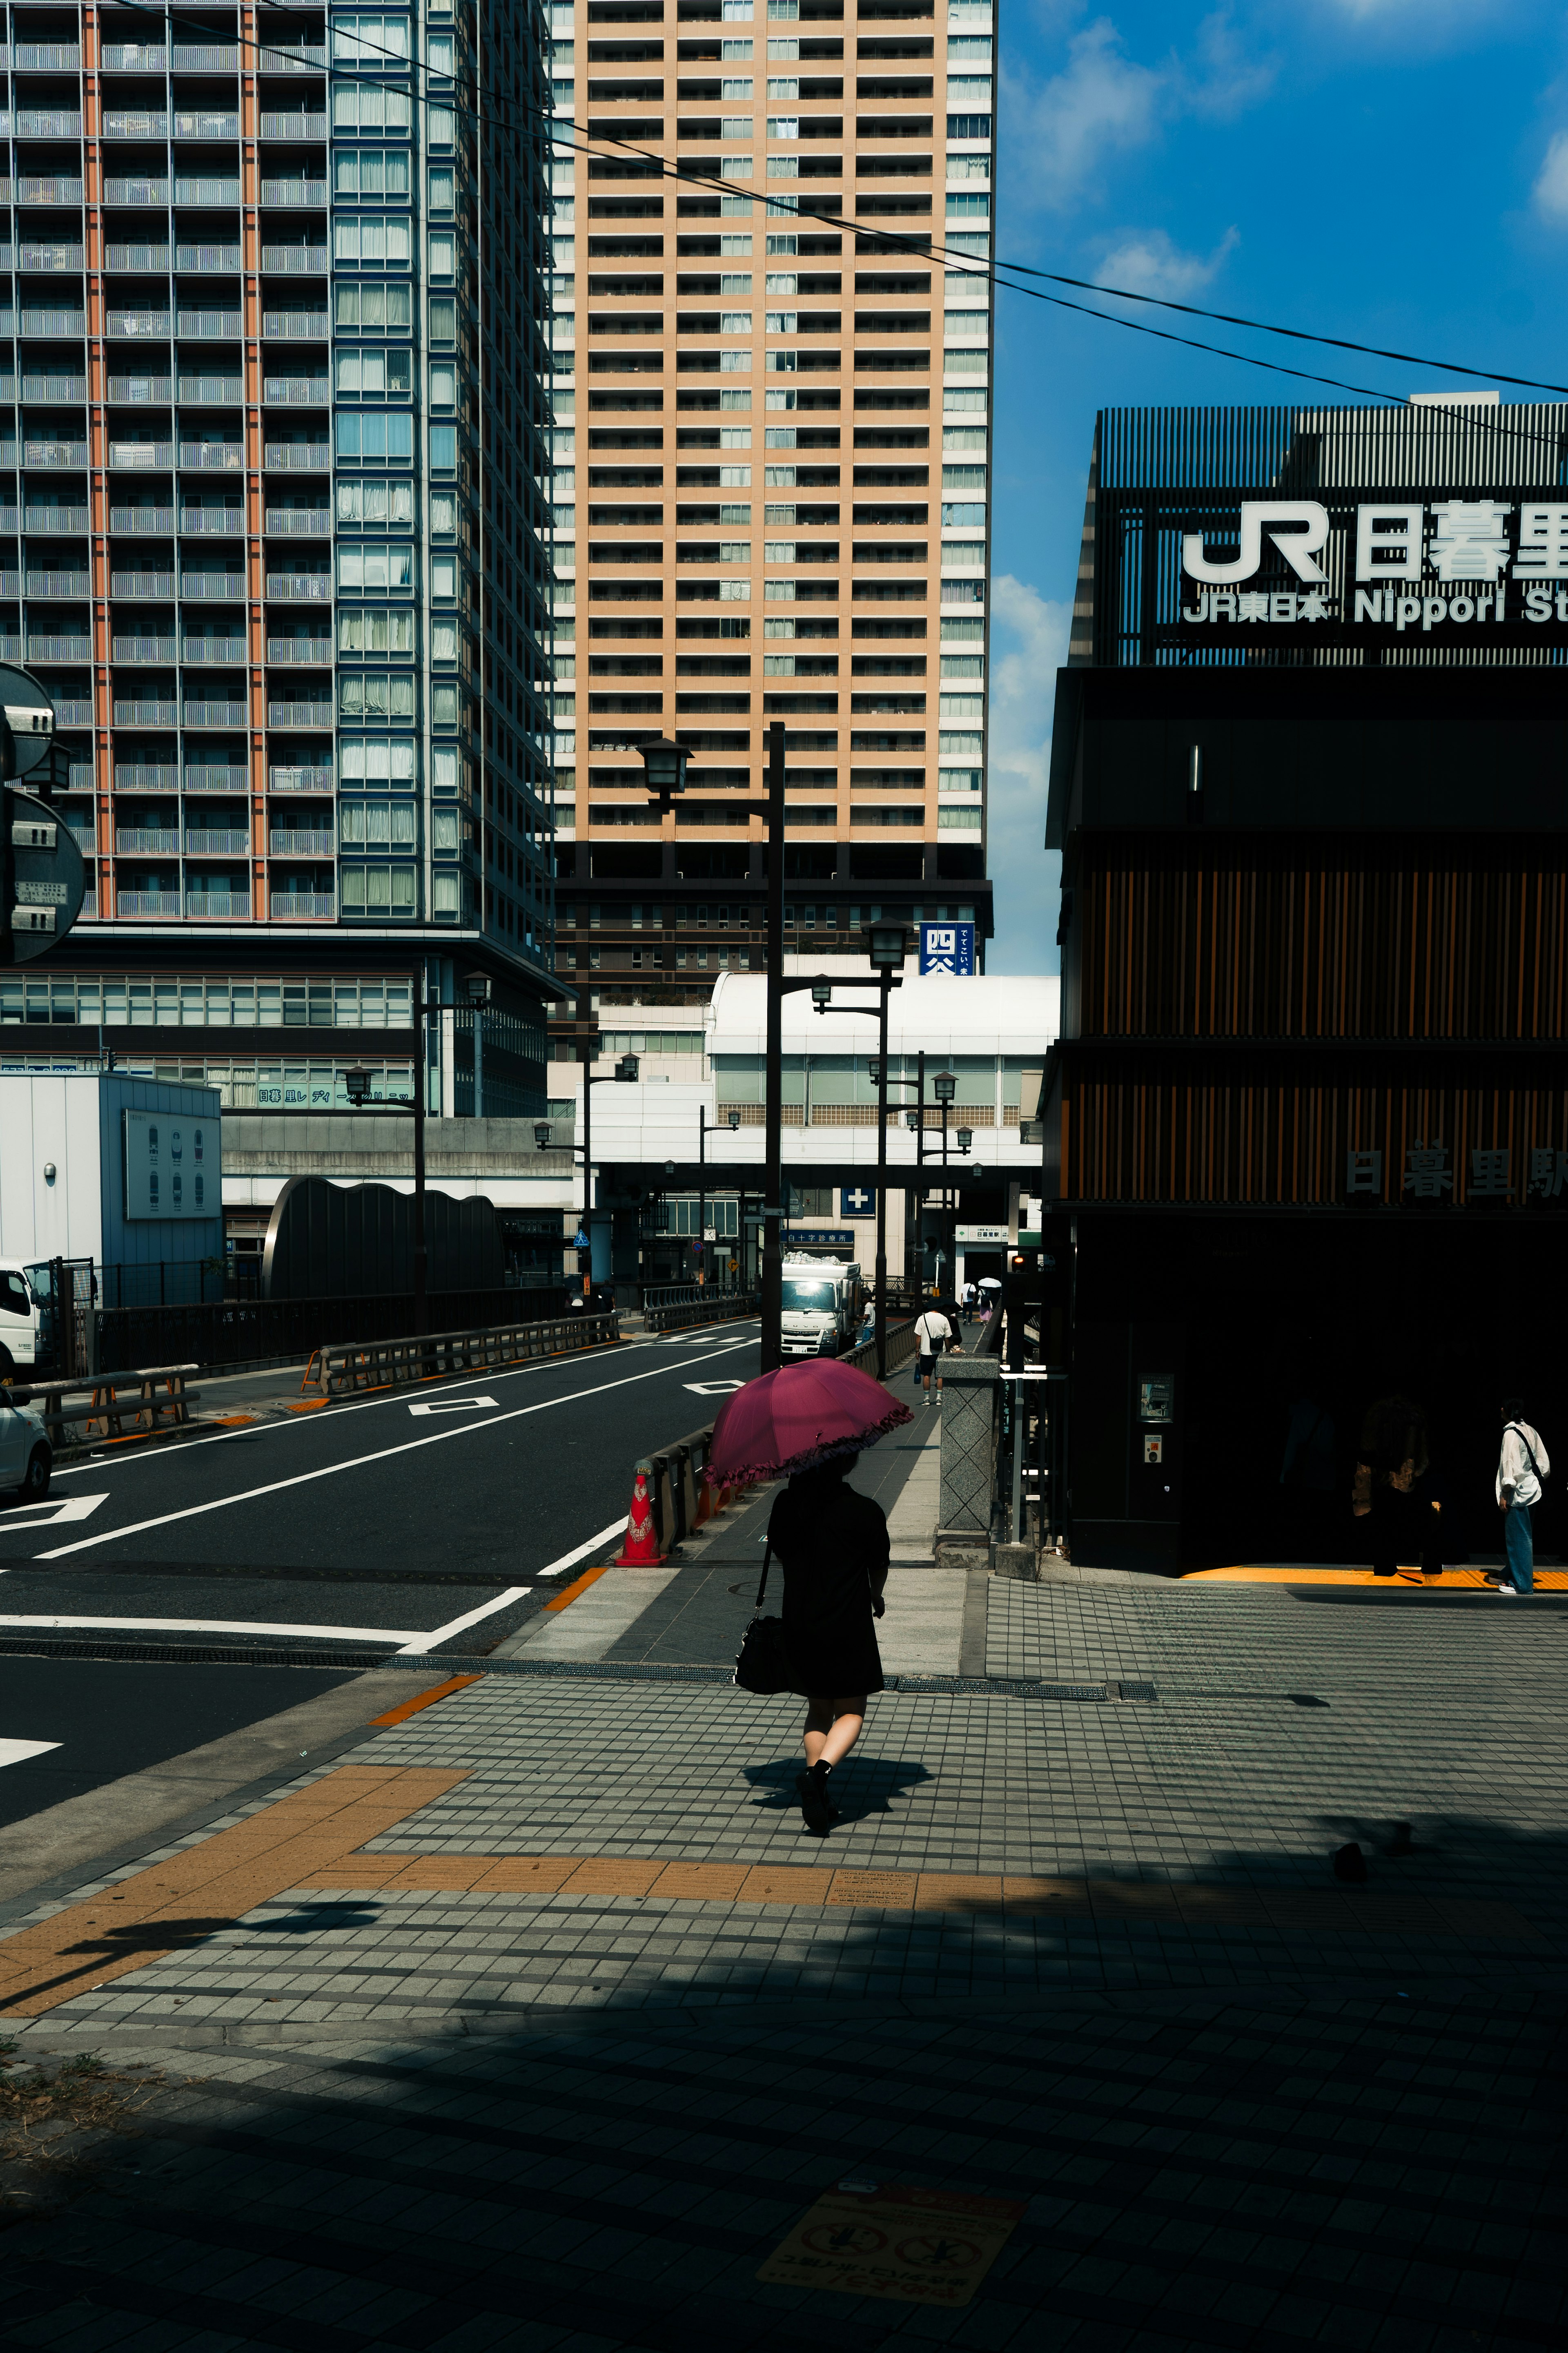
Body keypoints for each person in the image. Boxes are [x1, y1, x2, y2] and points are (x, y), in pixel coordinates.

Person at [766, 1454, 891, 1833]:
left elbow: (781, 1550)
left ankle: (816, 1789)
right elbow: (879, 1563)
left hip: (801, 1621)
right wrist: (876, 1596)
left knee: (819, 1708)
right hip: (848, 1623)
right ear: (848, 1462)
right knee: (851, 1711)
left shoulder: (787, 1505)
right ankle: (819, 1775)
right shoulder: (864, 1510)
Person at [1352, 1396, 1443, 1578]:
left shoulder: (1377, 1415)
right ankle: (1430, 1564)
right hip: (1409, 1480)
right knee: (1422, 1520)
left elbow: (1367, 1452)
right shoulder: (1415, 1417)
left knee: (1385, 1523)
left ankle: (1385, 1566)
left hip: (1383, 1479)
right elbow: (1423, 1455)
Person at [1494, 1396, 1548, 1596]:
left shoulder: (1510, 1434)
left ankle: (1522, 1585)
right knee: (1524, 1536)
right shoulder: (1531, 1430)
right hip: (1533, 1491)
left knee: (1519, 1539)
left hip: (1517, 1494)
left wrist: (1505, 1494)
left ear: (1504, 1411)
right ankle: (1509, 1573)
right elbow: (1544, 1464)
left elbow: (1509, 1465)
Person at [913, 1300, 952, 1405]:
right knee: (940, 1376)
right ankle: (939, 1398)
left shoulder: (923, 1318)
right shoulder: (944, 1319)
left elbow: (919, 1336)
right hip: (940, 1352)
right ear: (939, 1308)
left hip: (926, 1351)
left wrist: (917, 1350)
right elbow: (947, 1338)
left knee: (927, 1375)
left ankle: (927, 1399)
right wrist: (948, 1351)